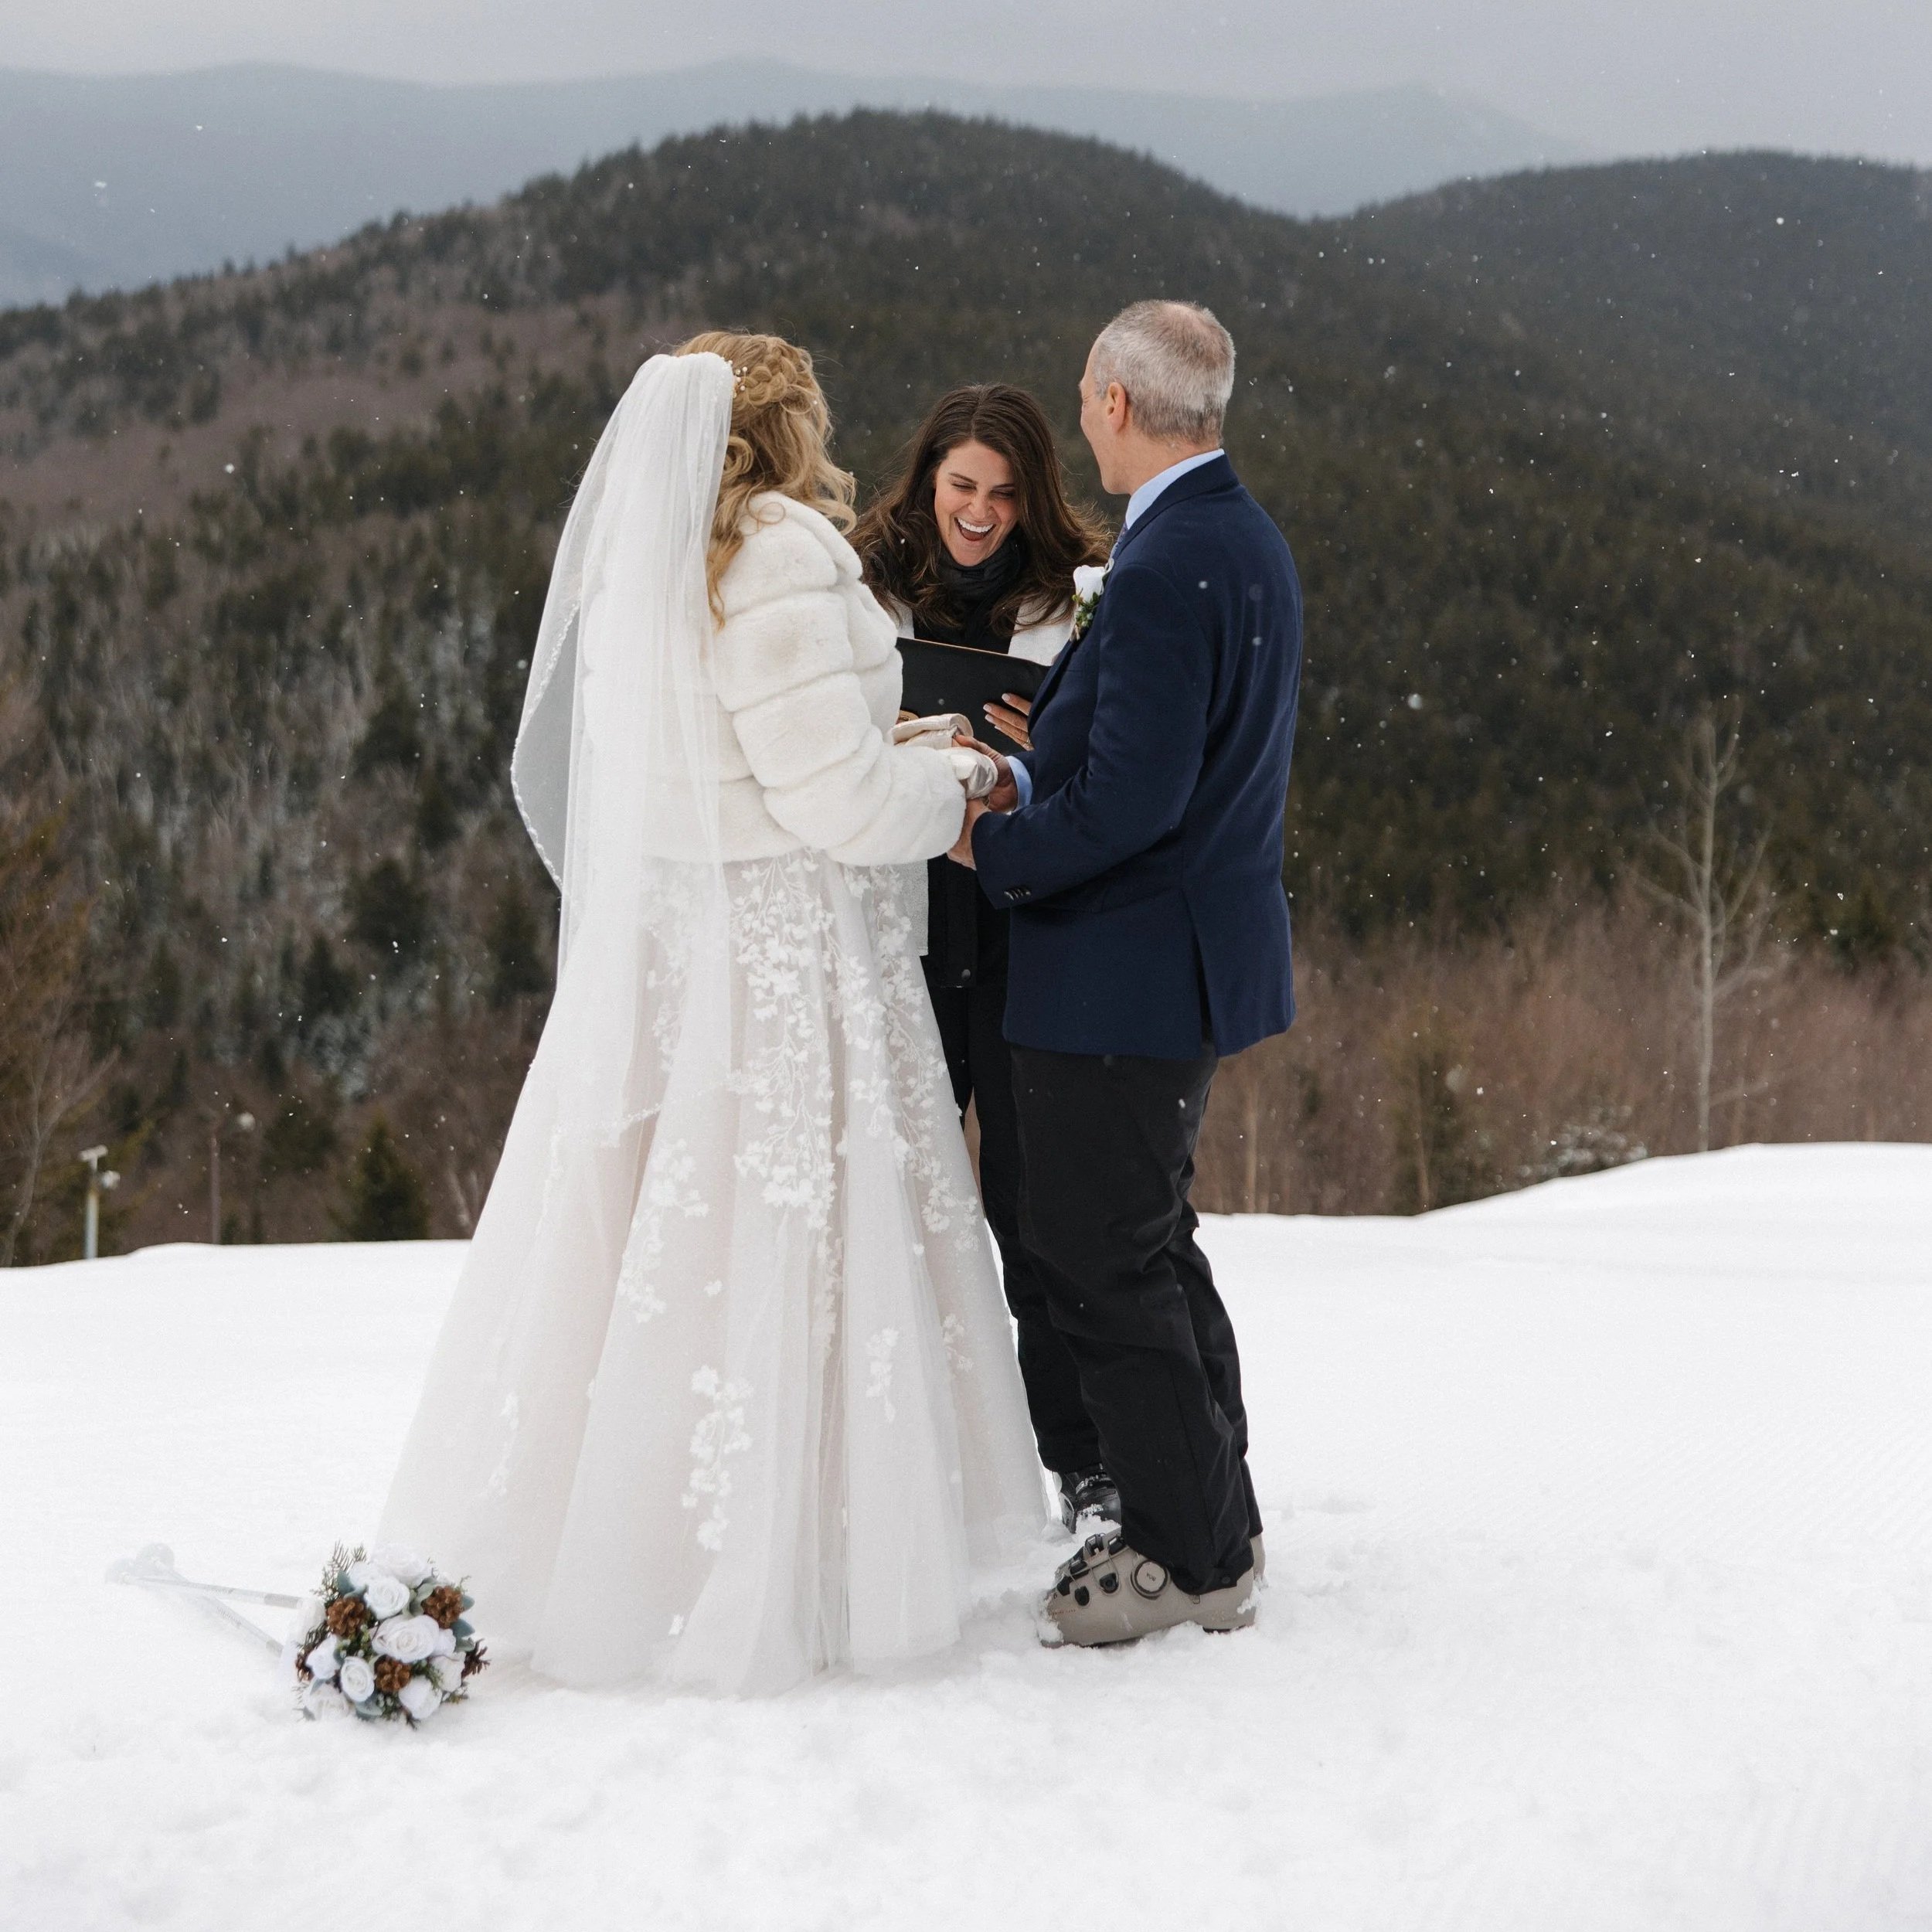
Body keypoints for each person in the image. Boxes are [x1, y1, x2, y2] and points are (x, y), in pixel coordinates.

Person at [379, 334, 1045, 1696]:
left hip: (687, 947)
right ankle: (803, 1555)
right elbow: (833, 801)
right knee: (794, 1233)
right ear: (787, 427)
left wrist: (900, 749)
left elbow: (738, 752)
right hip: (790, 955)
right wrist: (965, 788)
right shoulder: (783, 556)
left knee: (666, 1247)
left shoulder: (655, 560)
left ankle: (633, 1545)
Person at [953, 301, 1302, 1646]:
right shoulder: (1239, 537)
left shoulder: (1163, 565)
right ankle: (1219, 1514)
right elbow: (1169, 763)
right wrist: (1045, 759)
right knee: (1151, 1245)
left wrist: (1001, 845)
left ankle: (1183, 1556)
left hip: (1121, 975)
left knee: (1102, 1263)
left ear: (1109, 398)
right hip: (1182, 962)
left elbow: (1136, 805)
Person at [850, 386, 1117, 1531]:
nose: (981, 513)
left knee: (1031, 1203)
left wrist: (1035, 750)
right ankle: (896, 1460)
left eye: (1005, 494)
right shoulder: (861, 585)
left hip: (1018, 925)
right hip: (898, 923)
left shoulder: (1079, 595)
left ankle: (1083, 1458)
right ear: (926, 484)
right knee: (896, 1199)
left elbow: (1115, 768)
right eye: (962, 487)